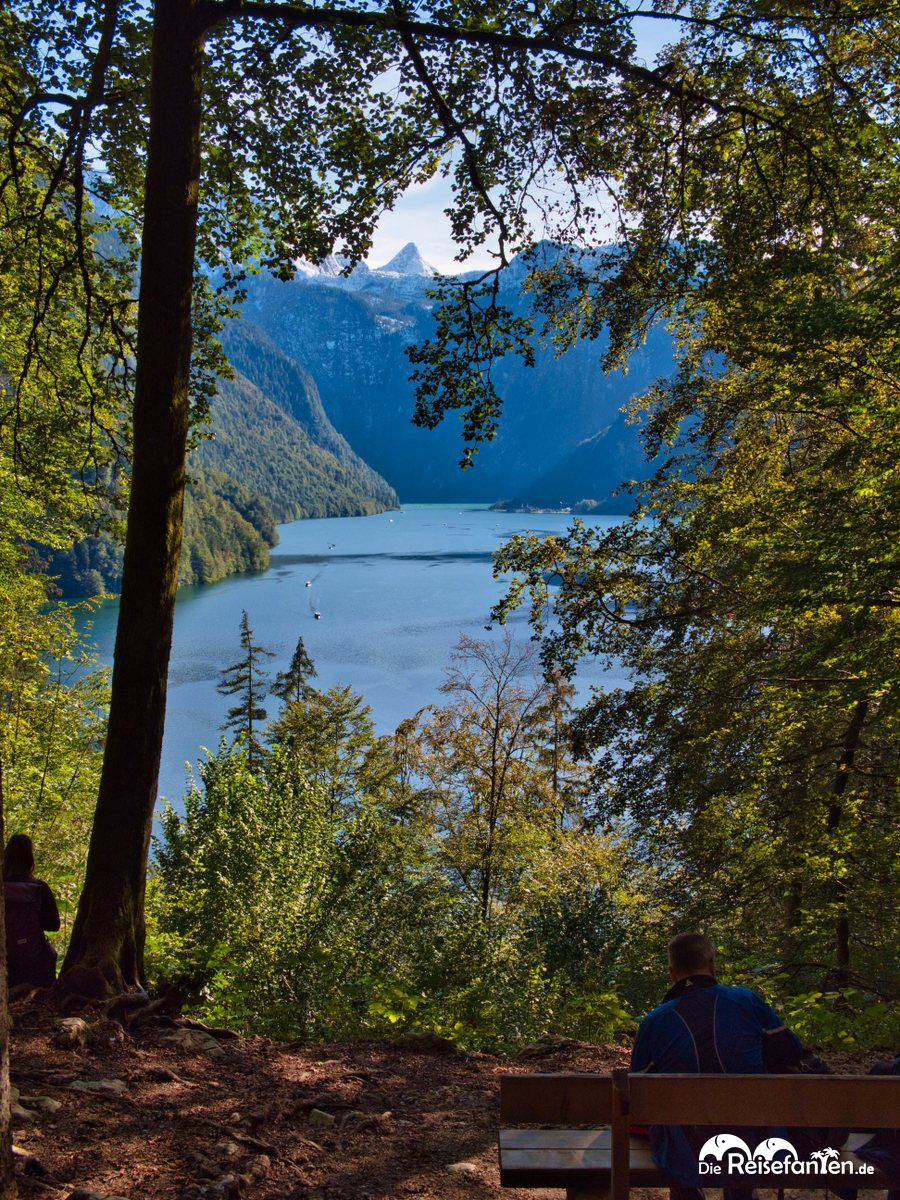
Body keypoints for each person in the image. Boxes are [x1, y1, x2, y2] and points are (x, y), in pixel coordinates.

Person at [631, 931, 804, 1200]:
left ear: (672, 973)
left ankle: (686, 1193)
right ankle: (740, 1193)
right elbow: (791, 1053)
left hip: (684, 1149)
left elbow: (637, 1094)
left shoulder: (654, 1021)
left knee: (669, 1122)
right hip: (753, 1140)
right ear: (712, 965)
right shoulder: (747, 1001)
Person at [3, 834, 61, 988]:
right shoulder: (39, 888)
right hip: (34, 963)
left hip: (6, 962)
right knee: (50, 954)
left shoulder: (2, 888)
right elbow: (54, 925)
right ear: (30, 858)